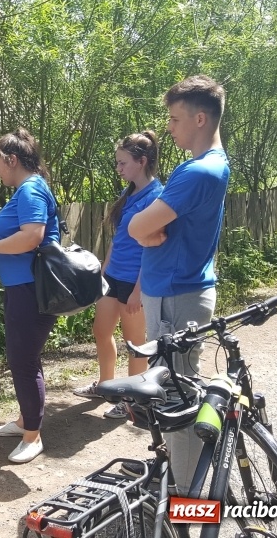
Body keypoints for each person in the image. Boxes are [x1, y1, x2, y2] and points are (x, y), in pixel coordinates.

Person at [127, 76, 230, 495]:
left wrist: (144, 230)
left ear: (200, 118)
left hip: (176, 294)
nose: (168, 127)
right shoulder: (204, 166)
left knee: (177, 397)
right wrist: (147, 232)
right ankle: (183, 481)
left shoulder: (200, 170)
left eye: (174, 118)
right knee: (174, 390)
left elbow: (138, 225)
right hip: (174, 290)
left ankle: (186, 498)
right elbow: (147, 230)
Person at [0, 128, 60, 464]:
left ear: (12, 160)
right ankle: (26, 420)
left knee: (23, 360)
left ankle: (33, 436)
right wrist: (1, 253)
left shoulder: (31, 190)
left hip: (31, 290)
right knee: (24, 357)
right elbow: (22, 241)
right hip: (20, 286)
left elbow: (32, 237)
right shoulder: (25, 190)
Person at [73, 131, 162, 419]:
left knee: (135, 344)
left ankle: (132, 401)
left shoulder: (157, 196)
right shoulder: (129, 192)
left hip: (136, 281)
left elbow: (153, 250)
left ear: (142, 161)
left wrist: (138, 290)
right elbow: (118, 238)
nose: (118, 169)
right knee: (101, 331)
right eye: (118, 163)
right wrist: (104, 271)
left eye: (123, 163)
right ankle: (106, 386)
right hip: (113, 277)